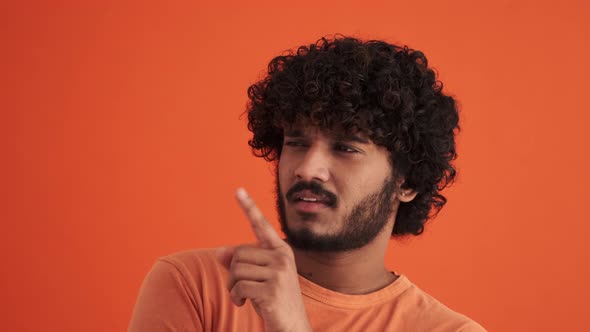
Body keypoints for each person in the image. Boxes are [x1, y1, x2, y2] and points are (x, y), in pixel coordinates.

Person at [128, 35, 486, 331]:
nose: (307, 169)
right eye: (296, 143)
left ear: (406, 183)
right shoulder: (195, 286)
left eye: (345, 147)